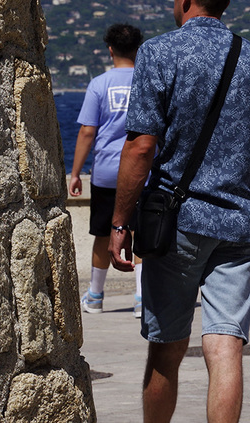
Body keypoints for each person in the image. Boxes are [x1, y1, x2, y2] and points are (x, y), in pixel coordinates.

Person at [108, 0, 250, 423]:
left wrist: (119, 221)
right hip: (241, 225)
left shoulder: (158, 53)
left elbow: (140, 147)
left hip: (178, 225)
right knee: (226, 345)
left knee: (167, 347)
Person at [69, 23, 146, 316]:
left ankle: (96, 296)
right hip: (142, 172)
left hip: (106, 172)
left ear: (110, 49)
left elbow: (88, 132)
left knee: (102, 234)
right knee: (140, 233)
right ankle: (141, 298)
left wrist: (75, 172)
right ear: (139, 49)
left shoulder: (99, 84)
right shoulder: (148, 81)